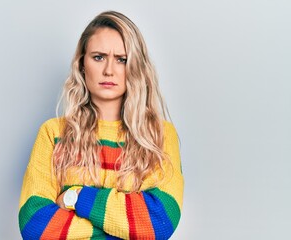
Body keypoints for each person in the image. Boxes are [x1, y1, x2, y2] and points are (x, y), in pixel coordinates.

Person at [18, 11, 184, 239]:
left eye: (121, 59)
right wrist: (124, 229)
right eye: (98, 57)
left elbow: (159, 222)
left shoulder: (160, 135)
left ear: (135, 67)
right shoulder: (53, 133)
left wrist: (75, 197)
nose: (109, 70)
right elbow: (35, 226)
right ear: (82, 64)